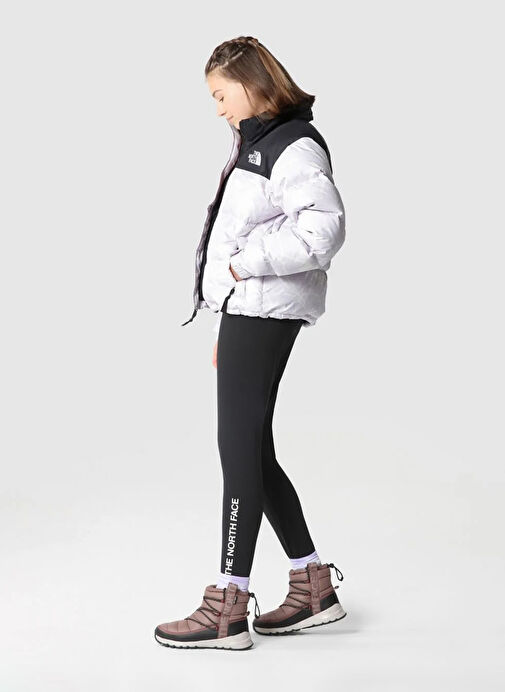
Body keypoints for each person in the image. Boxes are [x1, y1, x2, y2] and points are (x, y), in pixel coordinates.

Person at [155, 36, 347, 650]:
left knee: (237, 450)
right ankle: (312, 586)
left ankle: (227, 605)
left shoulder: (292, 145)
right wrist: (227, 314)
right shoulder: (260, 143)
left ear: (251, 82)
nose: (217, 109)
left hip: (263, 307)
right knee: (252, 452)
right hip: (249, 311)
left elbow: (323, 231)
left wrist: (245, 266)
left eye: (221, 95)